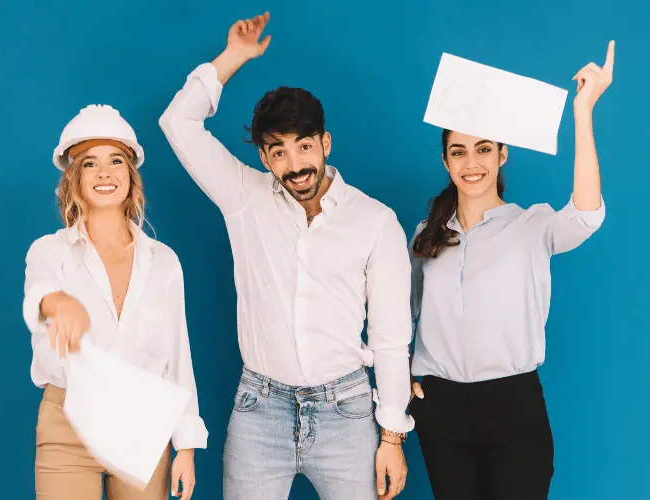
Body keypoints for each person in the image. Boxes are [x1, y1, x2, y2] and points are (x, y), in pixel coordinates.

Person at [158, 12, 413, 500]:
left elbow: (390, 338)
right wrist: (234, 56)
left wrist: (392, 434)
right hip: (260, 409)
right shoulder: (244, 197)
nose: (294, 165)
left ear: (325, 143)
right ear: (263, 157)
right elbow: (178, 122)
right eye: (277, 152)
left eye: (303, 147)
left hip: (349, 410)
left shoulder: (375, 221)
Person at [407, 42, 616, 500]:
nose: (471, 163)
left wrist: (584, 111)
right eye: (458, 152)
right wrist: (398, 372)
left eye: (483, 149)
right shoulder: (427, 234)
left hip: (513, 406)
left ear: (502, 155)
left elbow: (587, 214)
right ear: (445, 162)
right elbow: (398, 314)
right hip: (439, 410)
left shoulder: (533, 224)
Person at [22, 104, 207, 500]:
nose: (105, 173)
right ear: (74, 179)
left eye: (116, 161)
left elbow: (178, 356)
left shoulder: (164, 262)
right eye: (90, 163)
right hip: (67, 424)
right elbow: (39, 295)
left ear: (130, 175)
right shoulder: (49, 251)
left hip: (142, 422)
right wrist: (58, 303)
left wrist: (186, 444)